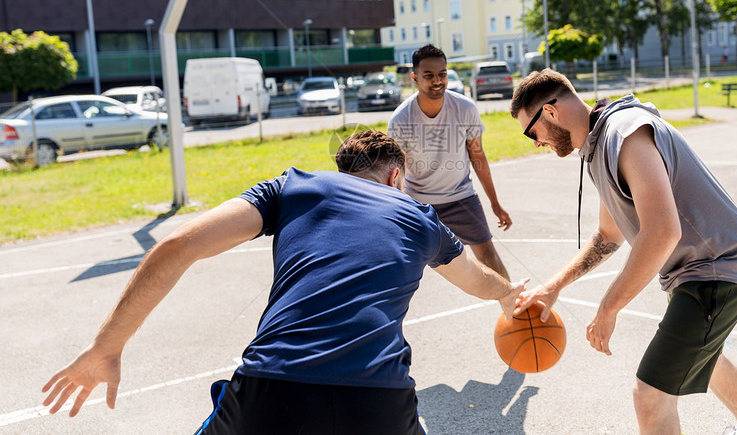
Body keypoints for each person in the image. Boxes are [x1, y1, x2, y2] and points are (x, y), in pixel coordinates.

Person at [42, 130, 525, 435]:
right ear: (396, 176)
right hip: (377, 400)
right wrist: (509, 295)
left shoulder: (294, 185)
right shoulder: (417, 215)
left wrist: (107, 346)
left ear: (345, 172)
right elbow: (476, 281)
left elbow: (177, 245)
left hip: (274, 391)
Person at [509, 69, 737, 435]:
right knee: (707, 360)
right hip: (700, 271)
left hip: (717, 268)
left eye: (530, 131)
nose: (534, 142)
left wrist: (608, 308)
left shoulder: (624, 133)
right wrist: (553, 287)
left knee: (649, 396)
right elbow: (607, 236)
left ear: (550, 113)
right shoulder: (600, 145)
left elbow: (663, 231)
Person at [387, 44, 513, 280]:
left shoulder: (465, 108)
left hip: (461, 198)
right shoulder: (400, 120)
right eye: (428, 75)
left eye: (442, 74)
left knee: (489, 257)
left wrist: (495, 203)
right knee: (402, 267)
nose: (437, 81)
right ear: (414, 78)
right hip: (420, 203)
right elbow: (395, 174)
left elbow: (478, 156)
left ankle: (514, 310)